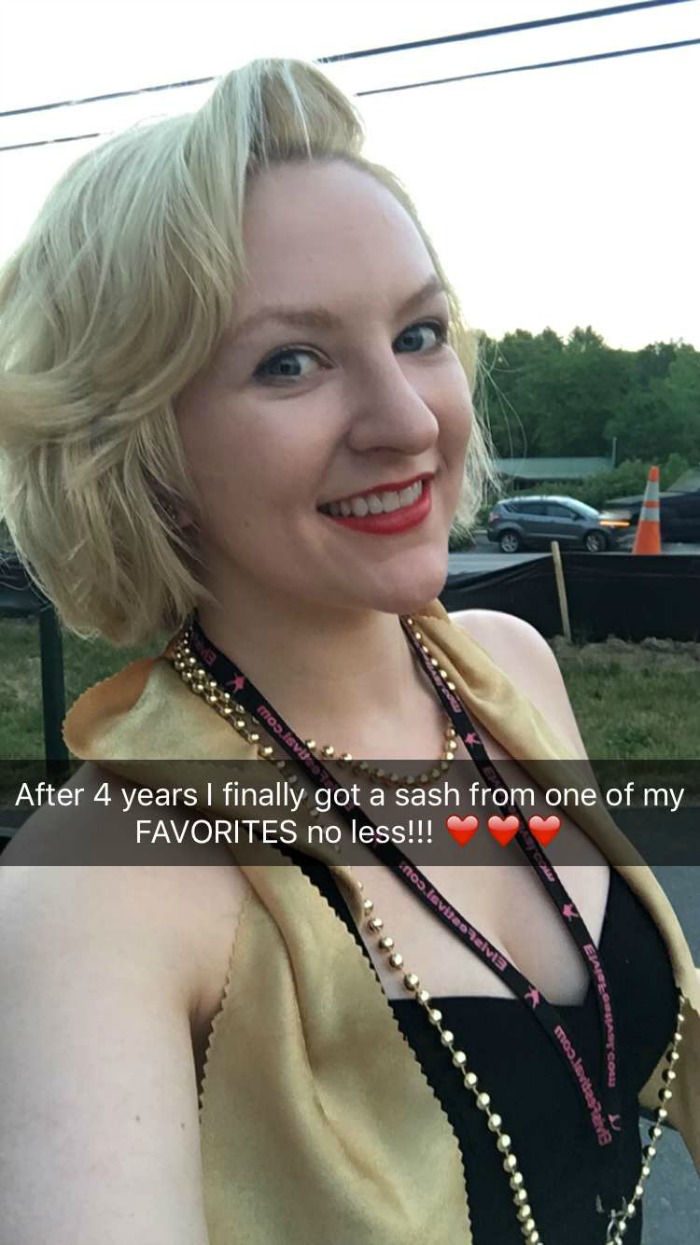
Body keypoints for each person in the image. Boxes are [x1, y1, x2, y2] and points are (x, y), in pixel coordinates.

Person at [0, 56, 697, 1245]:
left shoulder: (509, 670)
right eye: (291, 361)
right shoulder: (96, 885)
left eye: (418, 333)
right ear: (137, 443)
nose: (409, 419)